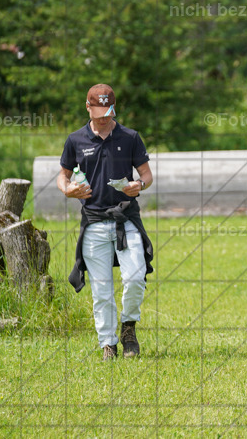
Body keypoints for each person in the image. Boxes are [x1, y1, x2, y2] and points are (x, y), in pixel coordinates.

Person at [59, 84, 155, 361]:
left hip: (126, 218)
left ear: (114, 108)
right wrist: (67, 189)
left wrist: (140, 185)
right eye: (98, 112)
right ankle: (108, 344)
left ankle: (128, 327)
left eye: (108, 112)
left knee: (136, 277)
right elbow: (62, 175)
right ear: (87, 107)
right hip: (94, 222)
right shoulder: (75, 140)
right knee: (101, 289)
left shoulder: (130, 137)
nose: (103, 118)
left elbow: (147, 174)